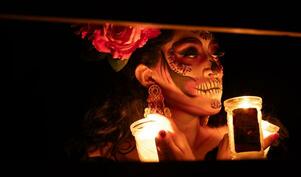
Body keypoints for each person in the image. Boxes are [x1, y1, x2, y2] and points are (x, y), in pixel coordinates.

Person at [70, 22, 288, 161]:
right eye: (191, 53)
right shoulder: (107, 155)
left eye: (215, 53)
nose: (215, 68)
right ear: (148, 75)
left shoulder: (253, 144)